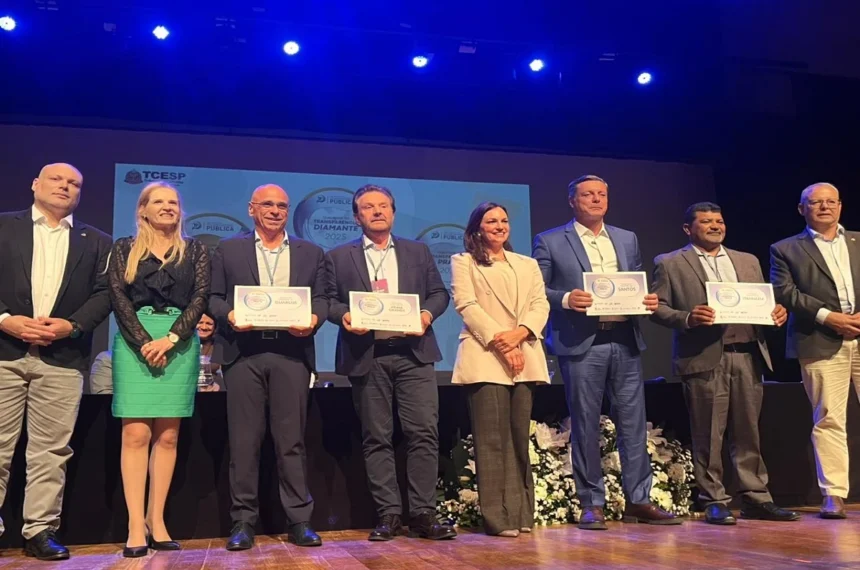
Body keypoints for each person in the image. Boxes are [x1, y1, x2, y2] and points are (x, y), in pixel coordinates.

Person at [532, 174, 679, 530]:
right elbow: (536, 286)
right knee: (585, 423)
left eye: (601, 194)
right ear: (572, 201)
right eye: (588, 194)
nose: (596, 200)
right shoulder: (550, 240)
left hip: (624, 337)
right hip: (581, 342)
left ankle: (639, 500)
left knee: (633, 424)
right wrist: (566, 298)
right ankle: (591, 502)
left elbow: (634, 280)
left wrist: (645, 299)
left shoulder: (626, 238)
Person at [651, 202, 800, 525]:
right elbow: (657, 308)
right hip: (704, 358)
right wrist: (688, 317)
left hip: (748, 354)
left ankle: (755, 497)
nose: (715, 226)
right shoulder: (670, 263)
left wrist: (777, 313)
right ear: (688, 229)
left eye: (719, 221)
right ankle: (714, 499)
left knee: (749, 432)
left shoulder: (747, 260)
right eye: (706, 222)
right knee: (708, 433)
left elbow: (764, 302)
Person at [325, 184, 455, 541]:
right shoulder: (337, 256)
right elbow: (327, 301)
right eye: (368, 207)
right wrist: (345, 315)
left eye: (383, 206)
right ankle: (389, 515)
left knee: (424, 433)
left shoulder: (418, 251)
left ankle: (424, 514)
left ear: (393, 213)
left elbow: (439, 294)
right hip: (367, 356)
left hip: (414, 353)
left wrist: (427, 314)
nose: (377, 211)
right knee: (376, 437)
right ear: (356, 216)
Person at [0, 163, 112, 560]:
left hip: (63, 359)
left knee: (51, 451)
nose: (65, 186)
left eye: (74, 183)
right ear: (35, 184)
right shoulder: (4, 226)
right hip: (3, 353)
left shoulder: (97, 241)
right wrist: (5, 319)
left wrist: (72, 325)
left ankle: (40, 531)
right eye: (57, 179)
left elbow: (104, 295)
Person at [209, 184, 327, 550]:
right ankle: (243, 521)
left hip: (291, 355)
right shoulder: (229, 249)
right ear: (251, 209)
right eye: (267, 205)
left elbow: (322, 299)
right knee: (244, 442)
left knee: (291, 442)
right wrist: (228, 315)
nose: (275, 211)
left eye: (282, 205)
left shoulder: (311, 252)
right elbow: (212, 298)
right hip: (243, 354)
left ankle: (299, 520)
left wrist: (313, 318)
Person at [108, 183, 210, 557]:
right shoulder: (124, 248)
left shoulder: (196, 250)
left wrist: (170, 338)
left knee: (167, 437)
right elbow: (117, 297)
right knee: (135, 435)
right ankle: (135, 524)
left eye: (174, 202)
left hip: (178, 343)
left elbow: (200, 297)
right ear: (143, 210)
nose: (168, 207)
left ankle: (158, 519)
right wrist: (144, 341)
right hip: (136, 344)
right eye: (159, 202)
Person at [450, 202, 550, 537]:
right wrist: (503, 343)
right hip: (485, 356)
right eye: (491, 220)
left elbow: (540, 303)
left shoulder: (527, 264)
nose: (499, 225)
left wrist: (521, 334)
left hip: (526, 354)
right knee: (492, 440)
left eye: (504, 220)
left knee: (519, 438)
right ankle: (497, 517)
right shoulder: (464, 262)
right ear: (477, 227)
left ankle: (522, 513)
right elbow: (467, 305)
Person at [770, 182, 860, 520]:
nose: (824, 207)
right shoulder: (785, 249)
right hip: (819, 339)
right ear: (801, 209)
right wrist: (830, 317)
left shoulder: (859, 241)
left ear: (840, 206)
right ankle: (834, 495)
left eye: (830, 201)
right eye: (815, 202)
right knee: (829, 418)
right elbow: (785, 292)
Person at [196, 313, 224, 392]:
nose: (204, 327)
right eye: (200, 322)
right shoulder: (183, 344)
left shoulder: (219, 345)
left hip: (213, 387)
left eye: (209, 323)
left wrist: (217, 386)